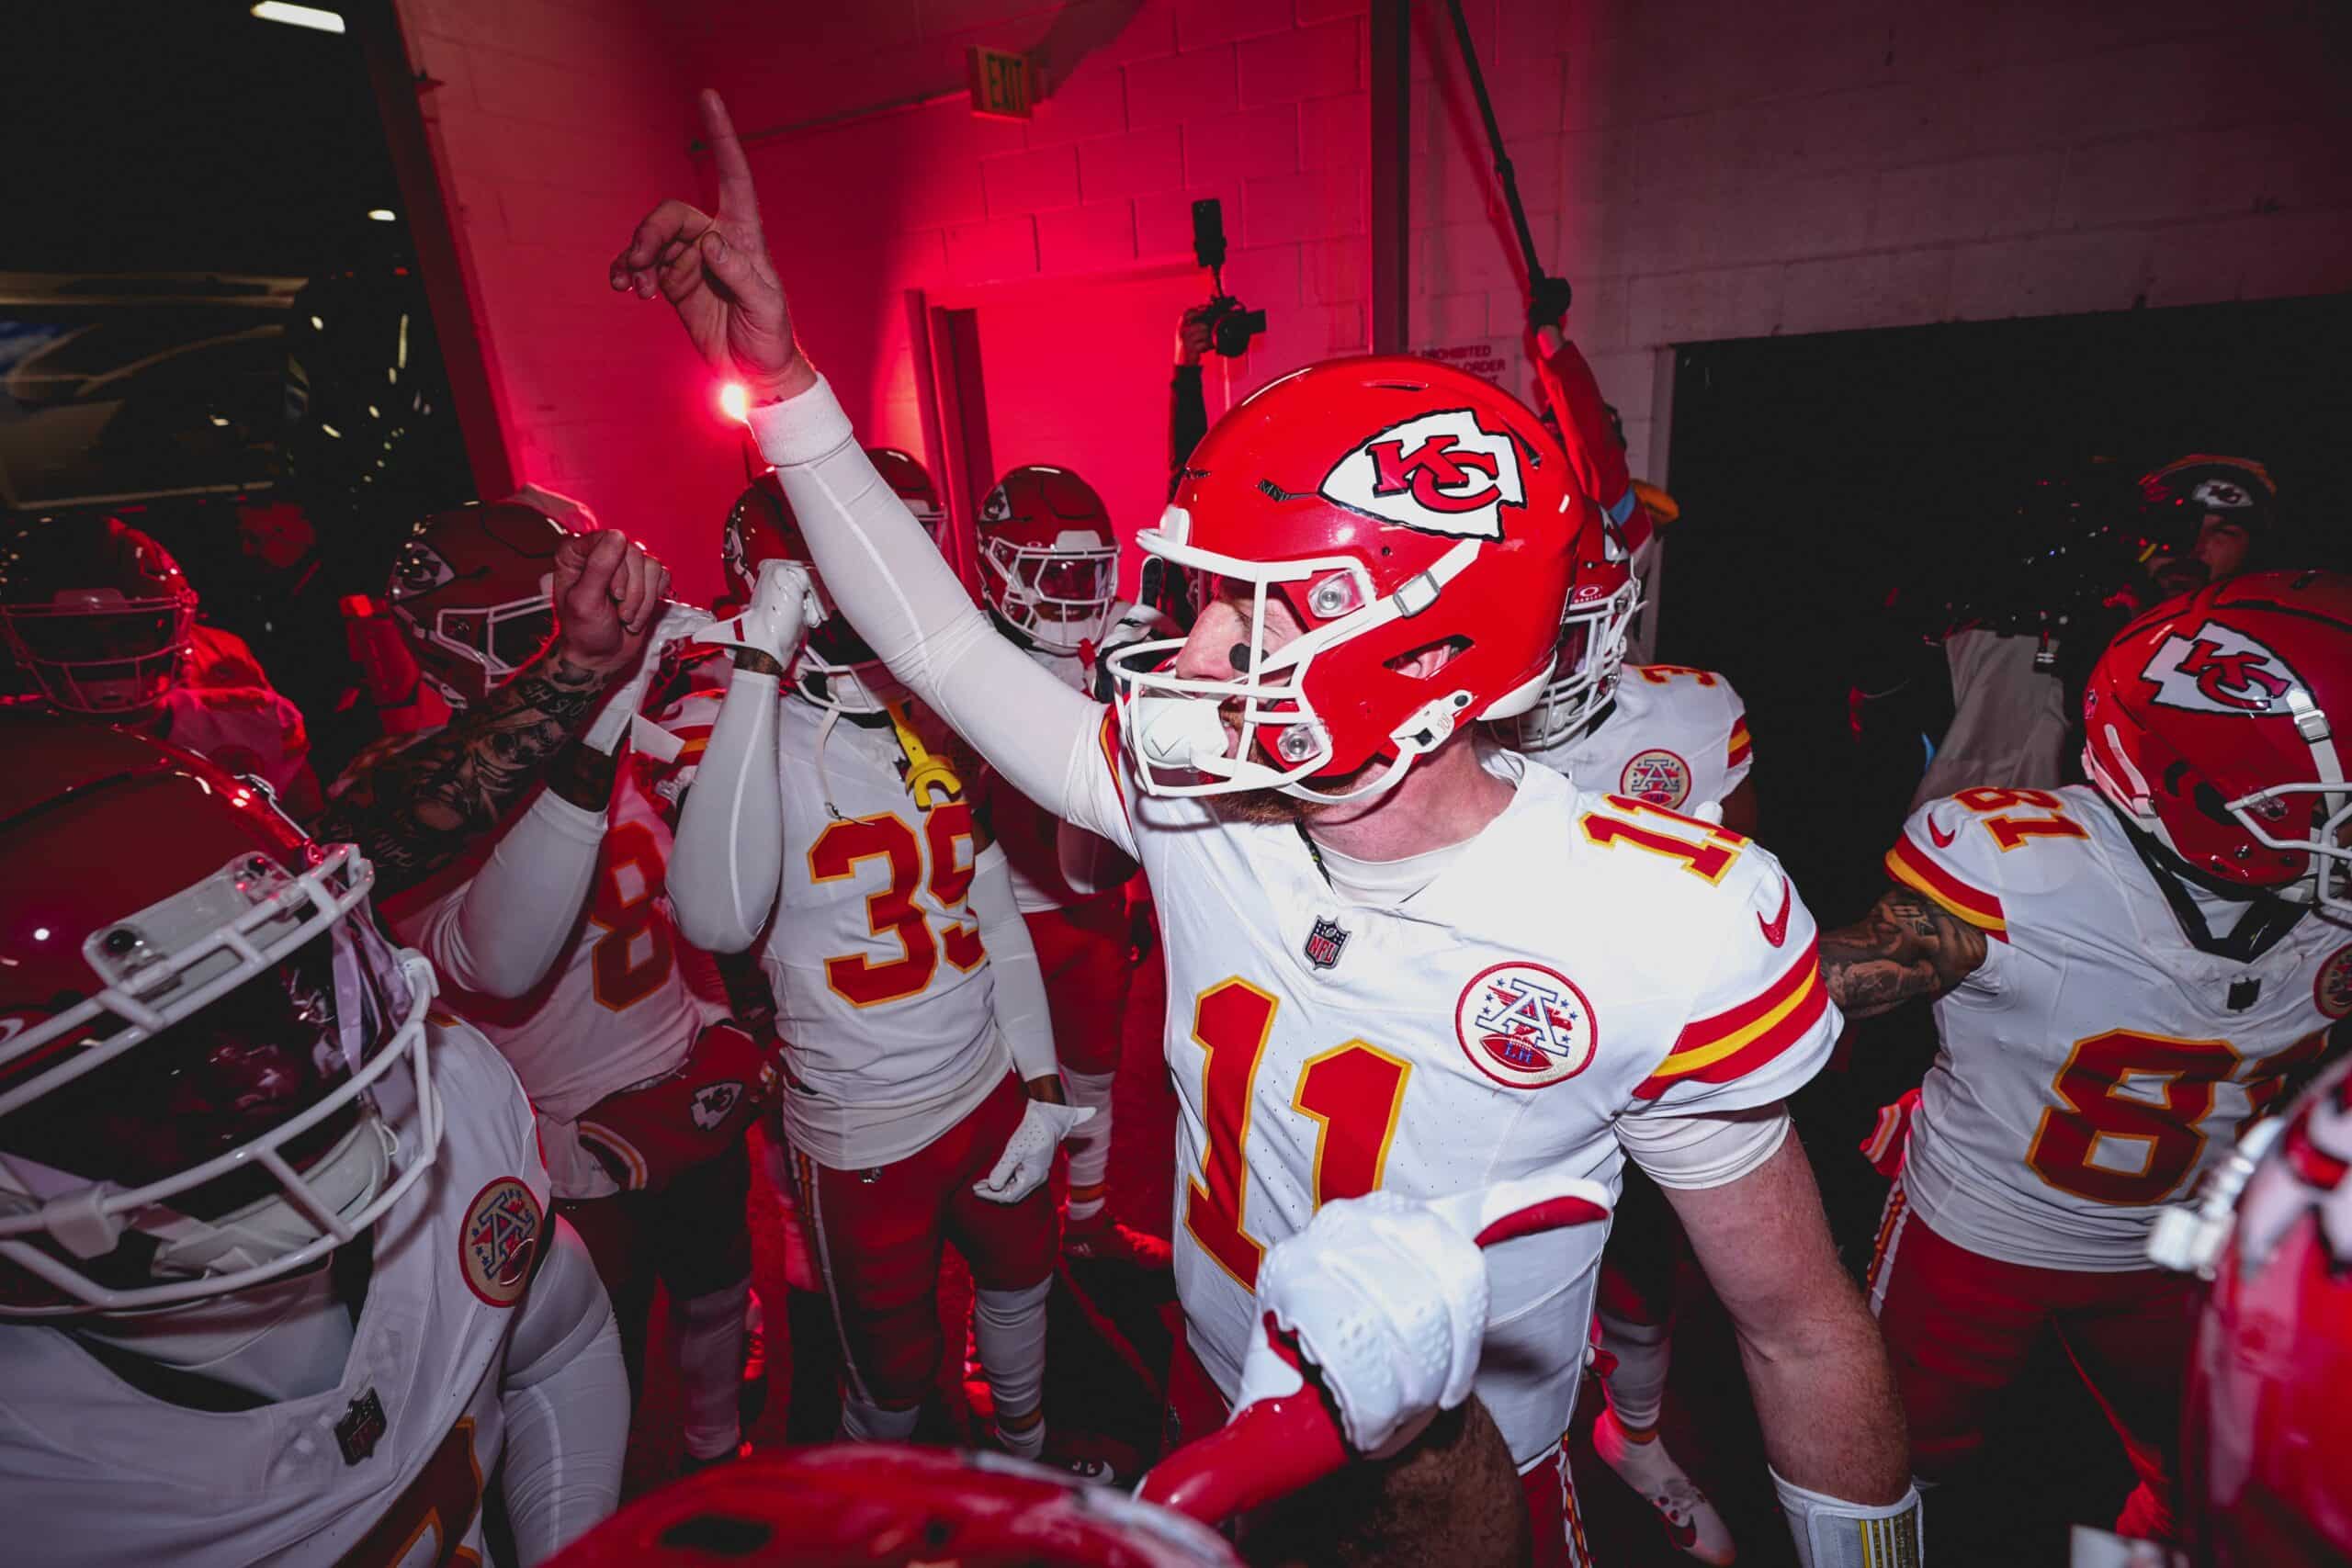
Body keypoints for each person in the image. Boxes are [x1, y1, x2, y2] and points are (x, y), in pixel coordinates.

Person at [612, 88, 1918, 1567]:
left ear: (1425, 657)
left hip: (1464, 1495)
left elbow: (1804, 1336)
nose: (1188, 647)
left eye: (1247, 607)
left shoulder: (1657, 921)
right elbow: (944, 650)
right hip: (1209, 1391)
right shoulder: (1202, 794)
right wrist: (783, 385)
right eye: (1201, 595)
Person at [0, 529, 665, 1562]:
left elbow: (560, 1344)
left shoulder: (449, 1118)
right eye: (139, 1069)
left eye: (268, 998)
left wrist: (576, 672)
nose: (265, 1071)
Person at [1816, 569, 2352, 1543]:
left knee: (2212, 1476)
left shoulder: (2322, 913)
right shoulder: (2023, 869)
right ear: (2208, 784)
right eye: (2332, 799)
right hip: (1978, 1234)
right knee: (1887, 1464)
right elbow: (1810, 996)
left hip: (2172, 1240)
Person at [662, 469, 1089, 1468]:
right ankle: (881, 1511)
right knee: (889, 1376)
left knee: (1025, 1283)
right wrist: (763, 661)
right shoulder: (729, 726)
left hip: (984, 1081)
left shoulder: (925, 714)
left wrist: (1036, 1079)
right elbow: (717, 915)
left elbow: (993, 915)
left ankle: (1021, 1457)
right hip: (865, 1129)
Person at [365, 498, 772, 1472]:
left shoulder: (627, 726)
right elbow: (490, 966)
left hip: (679, 1065)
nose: (570, 647)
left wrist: (716, 1012)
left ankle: (720, 1449)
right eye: (537, 628)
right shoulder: (419, 793)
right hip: (555, 1123)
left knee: (720, 1281)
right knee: (591, 1344)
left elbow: (686, 901)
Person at [1496, 345, 1748, 1564]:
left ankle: (1635, 1431)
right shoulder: (1448, 720)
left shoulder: (1693, 711)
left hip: (1640, 1043)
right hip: (1481, 1045)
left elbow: (1735, 882)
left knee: (1649, 1266)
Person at [975, 461, 1168, 1266]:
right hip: (994, 913)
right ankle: (1006, 1273)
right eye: (1055, 573)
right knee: (1003, 1100)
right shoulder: (969, 653)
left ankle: (1086, 1220)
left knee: (1094, 1071)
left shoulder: (1122, 638)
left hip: (1089, 909)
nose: (1077, 594)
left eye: (1090, 571)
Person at [0, 513, 322, 818]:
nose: (109, 653)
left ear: (174, 627)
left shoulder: (256, 721)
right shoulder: (17, 745)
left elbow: (309, 836)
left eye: (131, 630)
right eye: (74, 634)